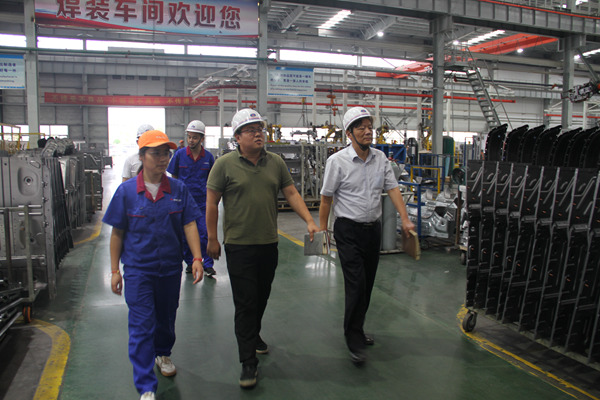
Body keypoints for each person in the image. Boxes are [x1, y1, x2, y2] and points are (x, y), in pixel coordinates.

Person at [206, 108, 318, 389]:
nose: (258, 134)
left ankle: (253, 334)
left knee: (261, 296)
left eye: (260, 129)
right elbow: (211, 202)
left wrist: (309, 221)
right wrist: (212, 238)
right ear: (237, 137)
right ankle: (248, 361)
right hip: (238, 245)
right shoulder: (224, 165)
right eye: (251, 130)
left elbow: (291, 192)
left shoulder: (275, 162)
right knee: (245, 303)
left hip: (268, 243)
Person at [103, 130, 204, 400]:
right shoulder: (126, 192)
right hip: (139, 271)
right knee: (141, 325)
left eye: (166, 153)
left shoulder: (178, 189)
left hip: (170, 269)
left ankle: (163, 353)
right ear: (142, 156)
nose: (162, 159)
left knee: (166, 317)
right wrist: (114, 271)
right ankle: (146, 386)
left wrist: (196, 258)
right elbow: (117, 234)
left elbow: (189, 223)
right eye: (155, 153)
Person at [318, 106, 416, 365]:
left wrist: (405, 219)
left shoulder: (380, 159)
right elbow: (326, 198)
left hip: (373, 230)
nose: (367, 131)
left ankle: (358, 328)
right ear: (349, 133)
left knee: (368, 284)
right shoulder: (337, 161)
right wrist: (322, 231)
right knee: (356, 284)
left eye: (369, 127)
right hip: (347, 230)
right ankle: (353, 339)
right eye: (360, 127)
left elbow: (393, 189)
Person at [167, 120, 216, 276]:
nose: (191, 140)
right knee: (184, 235)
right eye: (189, 137)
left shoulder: (208, 157)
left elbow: (212, 181)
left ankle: (207, 264)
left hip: (202, 202)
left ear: (202, 138)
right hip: (183, 202)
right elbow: (174, 177)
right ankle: (190, 262)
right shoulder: (179, 155)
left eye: (195, 137)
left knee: (204, 233)